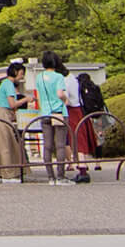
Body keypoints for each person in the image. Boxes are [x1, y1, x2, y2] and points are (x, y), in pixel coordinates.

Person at [31, 51, 75, 185]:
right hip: (58, 112)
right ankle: (61, 176)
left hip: (44, 112)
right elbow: (60, 93)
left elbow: (38, 96)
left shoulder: (39, 77)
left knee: (47, 145)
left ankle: (50, 177)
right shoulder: (58, 77)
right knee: (60, 145)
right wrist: (66, 100)